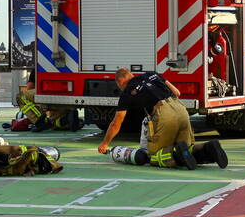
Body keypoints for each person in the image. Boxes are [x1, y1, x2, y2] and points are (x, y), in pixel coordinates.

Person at [97, 69, 228, 170]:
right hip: (181, 109)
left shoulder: (127, 92)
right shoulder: (151, 74)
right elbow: (177, 93)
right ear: (131, 75)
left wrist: (105, 143)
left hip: (163, 114)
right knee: (188, 148)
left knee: (153, 155)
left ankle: (177, 154)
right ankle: (209, 149)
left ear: (120, 83)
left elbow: (116, 123)